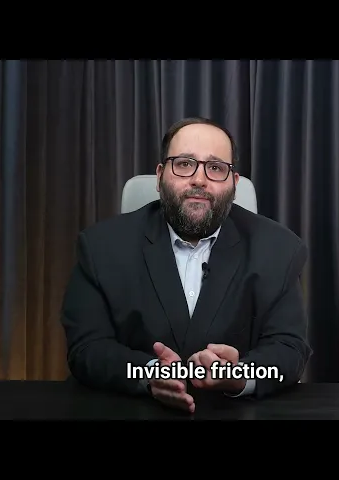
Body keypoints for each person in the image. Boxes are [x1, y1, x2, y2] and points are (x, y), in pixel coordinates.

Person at [60, 117, 312, 413]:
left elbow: (289, 349)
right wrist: (150, 374)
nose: (199, 180)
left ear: (234, 184)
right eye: (184, 164)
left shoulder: (279, 250)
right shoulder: (100, 247)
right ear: (159, 177)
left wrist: (240, 374)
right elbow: (87, 348)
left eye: (215, 168)